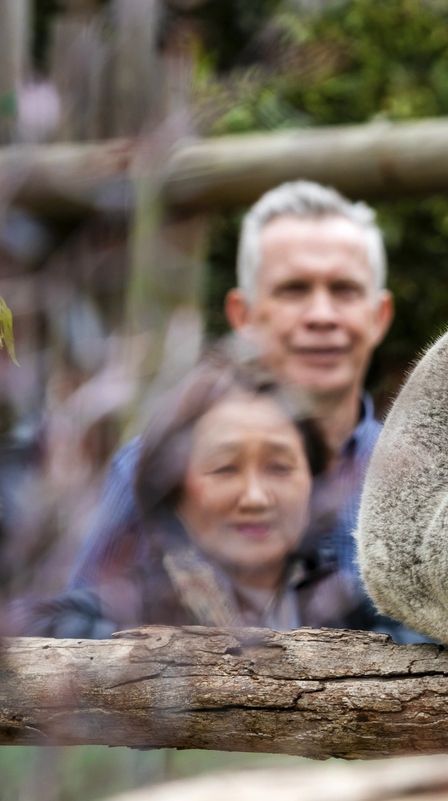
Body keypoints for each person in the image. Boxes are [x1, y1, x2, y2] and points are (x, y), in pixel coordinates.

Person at [64, 181, 414, 637]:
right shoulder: (150, 467)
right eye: (293, 289)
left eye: (345, 290)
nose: (322, 315)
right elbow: (73, 639)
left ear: (379, 315)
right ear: (242, 315)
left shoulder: (419, 479)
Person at [24, 352, 373, 636]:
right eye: (225, 468)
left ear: (313, 480)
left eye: (280, 467)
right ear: (173, 488)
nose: (255, 498)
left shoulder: (355, 612)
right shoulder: (120, 614)